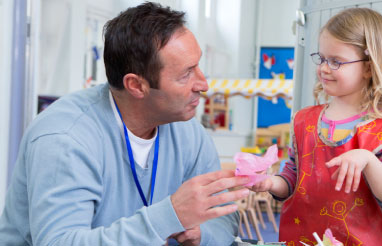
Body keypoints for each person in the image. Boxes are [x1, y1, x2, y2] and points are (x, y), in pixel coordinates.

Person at [0, 3, 250, 245]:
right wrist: (167, 217)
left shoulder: (188, 131)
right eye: (186, 74)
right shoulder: (65, 138)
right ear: (136, 85)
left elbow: (223, 216)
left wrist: (201, 235)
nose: (203, 84)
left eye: (198, 66)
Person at [250, 8, 382, 245]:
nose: (323, 68)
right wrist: (271, 183)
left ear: (369, 67)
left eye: (336, 61)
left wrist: (368, 161)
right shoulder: (303, 122)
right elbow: (292, 180)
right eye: (321, 58)